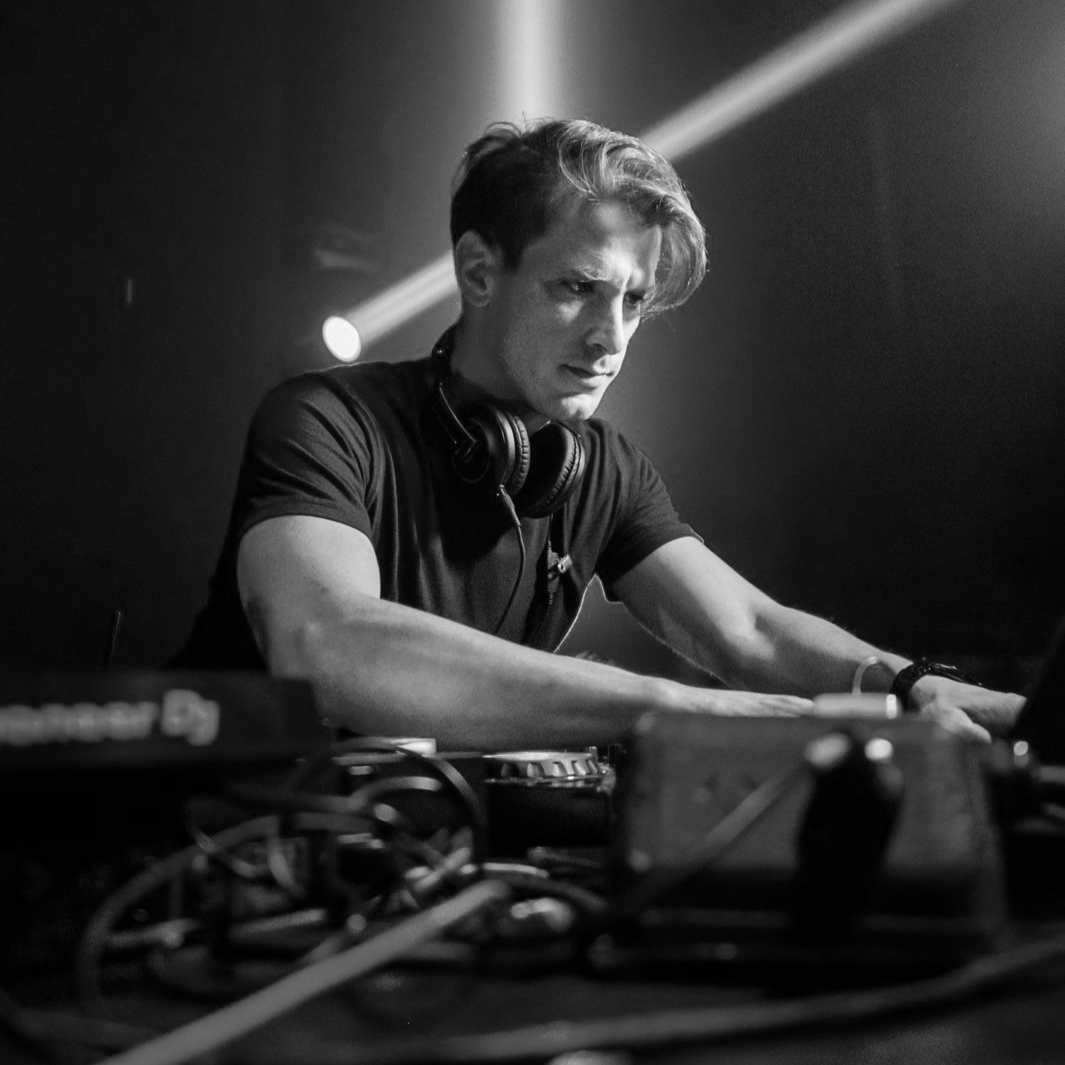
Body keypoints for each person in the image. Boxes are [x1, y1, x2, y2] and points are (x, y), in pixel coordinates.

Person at [174, 117, 1023, 751]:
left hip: (435, 857)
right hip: (222, 851)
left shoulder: (601, 468)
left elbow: (750, 632)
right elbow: (325, 643)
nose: (610, 338)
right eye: (578, 288)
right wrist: (692, 709)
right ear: (477, 270)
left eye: (632, 300)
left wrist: (922, 689)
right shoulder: (325, 420)